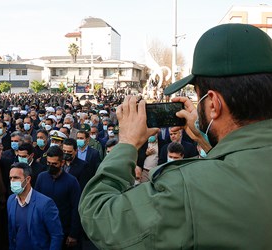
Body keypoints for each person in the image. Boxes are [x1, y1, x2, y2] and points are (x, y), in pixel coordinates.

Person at [79, 23, 272, 249]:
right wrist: (203, 138)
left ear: (213, 104)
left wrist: (127, 143)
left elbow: (99, 215)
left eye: (198, 96)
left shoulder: (188, 187)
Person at [7, 162, 63, 250]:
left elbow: (56, 235)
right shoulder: (11, 200)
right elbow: (11, 232)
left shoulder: (45, 204)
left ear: (28, 179)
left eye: (16, 178)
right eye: (11, 178)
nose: (12, 181)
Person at [35, 146, 81, 249]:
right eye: (49, 163)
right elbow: (36, 203)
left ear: (62, 163)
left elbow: (76, 208)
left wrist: (73, 234)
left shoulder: (72, 181)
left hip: (64, 229)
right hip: (44, 229)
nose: (51, 166)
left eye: (54, 164)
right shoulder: (41, 177)